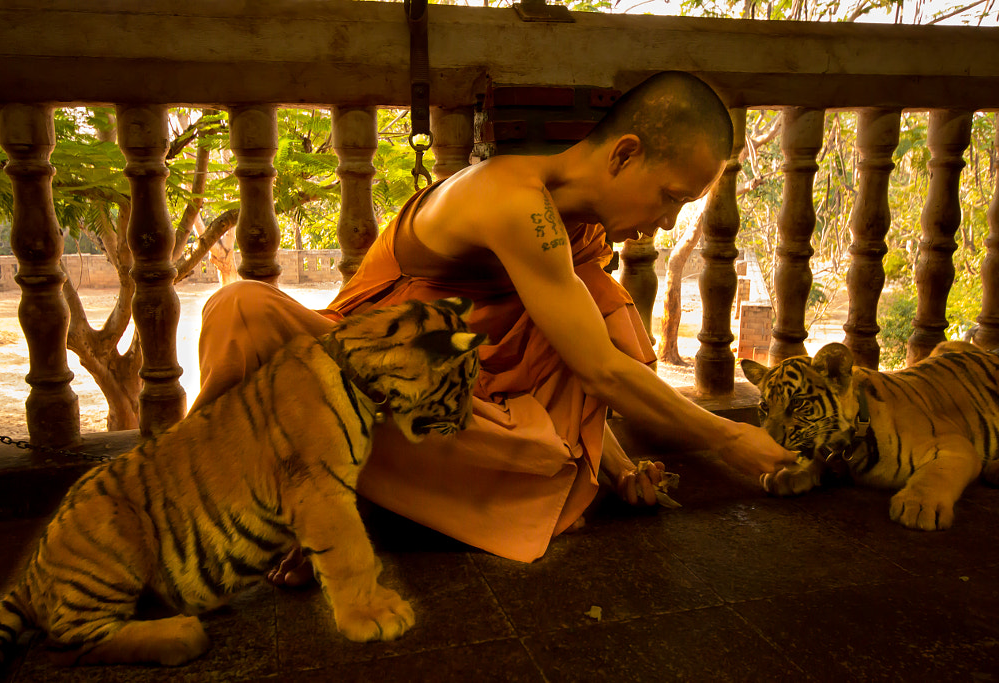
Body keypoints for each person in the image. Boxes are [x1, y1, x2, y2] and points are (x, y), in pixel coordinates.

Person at [192, 71, 796, 572]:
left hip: (461, 409)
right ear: (624, 153)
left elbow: (572, 361)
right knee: (243, 308)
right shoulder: (513, 200)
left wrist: (615, 467)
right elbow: (602, 372)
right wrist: (731, 440)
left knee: (576, 365)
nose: (667, 222)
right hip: (367, 387)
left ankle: (344, 502)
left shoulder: (575, 233)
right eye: (671, 196)